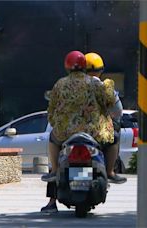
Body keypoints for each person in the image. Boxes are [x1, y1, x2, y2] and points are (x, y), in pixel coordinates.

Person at [40, 51, 125, 213]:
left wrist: (57, 123)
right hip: (95, 133)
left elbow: (51, 111)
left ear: (67, 67)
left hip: (66, 134)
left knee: (52, 139)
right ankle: (110, 172)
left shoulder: (60, 84)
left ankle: (55, 173)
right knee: (114, 138)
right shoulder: (97, 84)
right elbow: (113, 106)